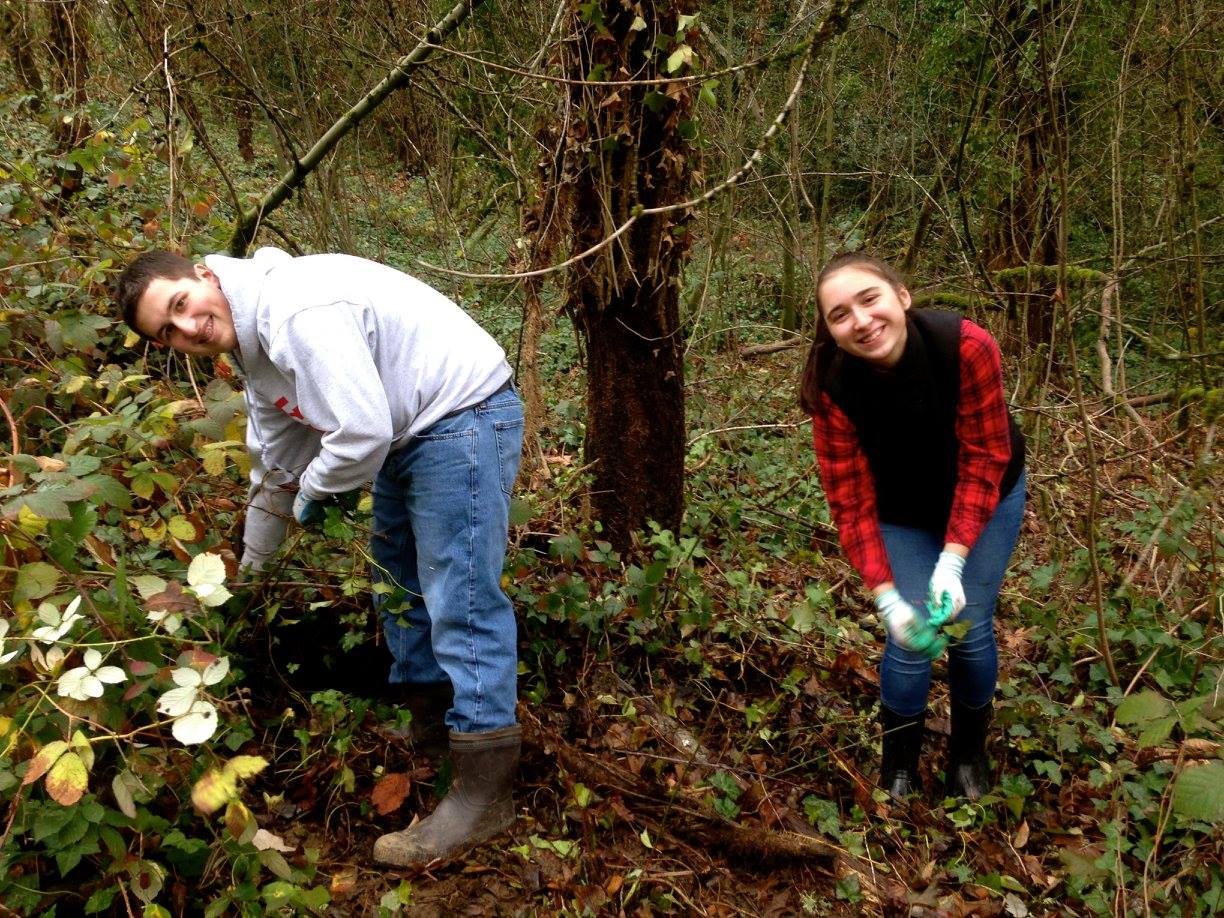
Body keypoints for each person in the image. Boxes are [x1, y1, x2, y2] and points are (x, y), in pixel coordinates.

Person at [115, 247, 525, 865]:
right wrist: (250, 584)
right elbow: (275, 474)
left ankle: (483, 790)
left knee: (458, 595)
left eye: (180, 305)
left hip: (461, 414)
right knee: (397, 585)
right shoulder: (257, 357)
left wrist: (315, 493)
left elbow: (359, 433)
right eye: (167, 333)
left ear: (202, 274)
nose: (187, 329)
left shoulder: (296, 312)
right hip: (408, 430)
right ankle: (433, 732)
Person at [798, 251, 1025, 802]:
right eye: (840, 314)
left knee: (968, 625)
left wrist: (952, 559)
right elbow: (849, 501)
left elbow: (984, 457)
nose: (861, 320)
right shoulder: (834, 388)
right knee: (912, 637)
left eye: (869, 299)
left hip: (986, 492)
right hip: (899, 511)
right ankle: (897, 766)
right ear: (831, 331)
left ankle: (968, 752)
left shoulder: (965, 347)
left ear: (902, 296)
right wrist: (887, 598)